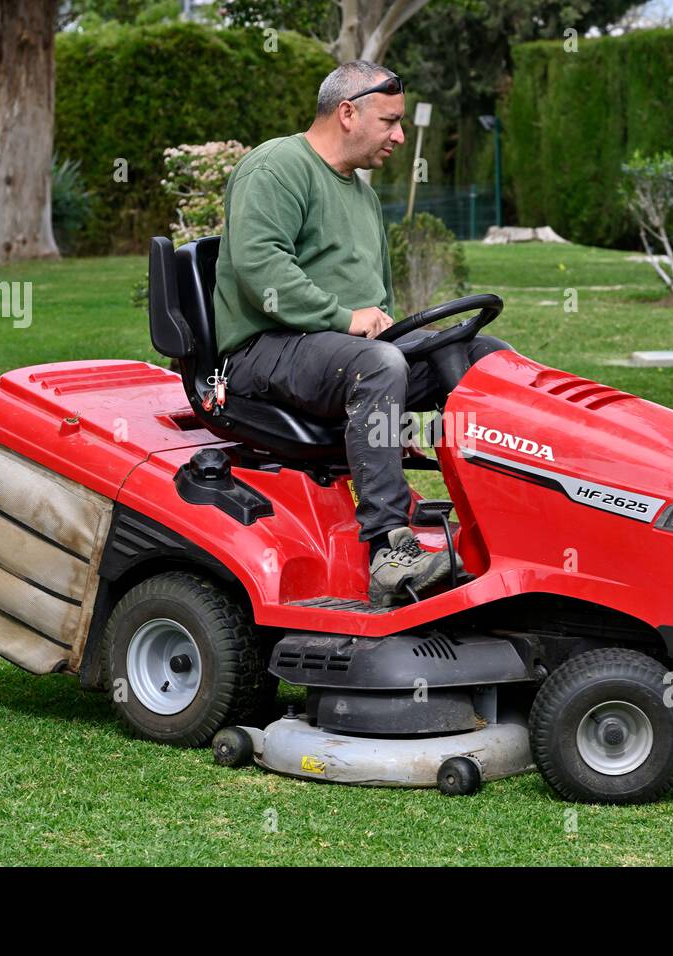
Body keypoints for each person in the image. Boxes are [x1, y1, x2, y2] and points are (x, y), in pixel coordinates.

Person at [211, 60, 511, 606]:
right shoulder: (276, 168)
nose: (399, 136)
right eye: (390, 122)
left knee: (482, 355)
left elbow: (381, 300)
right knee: (378, 366)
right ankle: (389, 550)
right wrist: (345, 320)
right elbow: (260, 270)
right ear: (347, 113)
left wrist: (392, 384)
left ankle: (513, 515)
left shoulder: (363, 196)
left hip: (342, 355)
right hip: (265, 350)